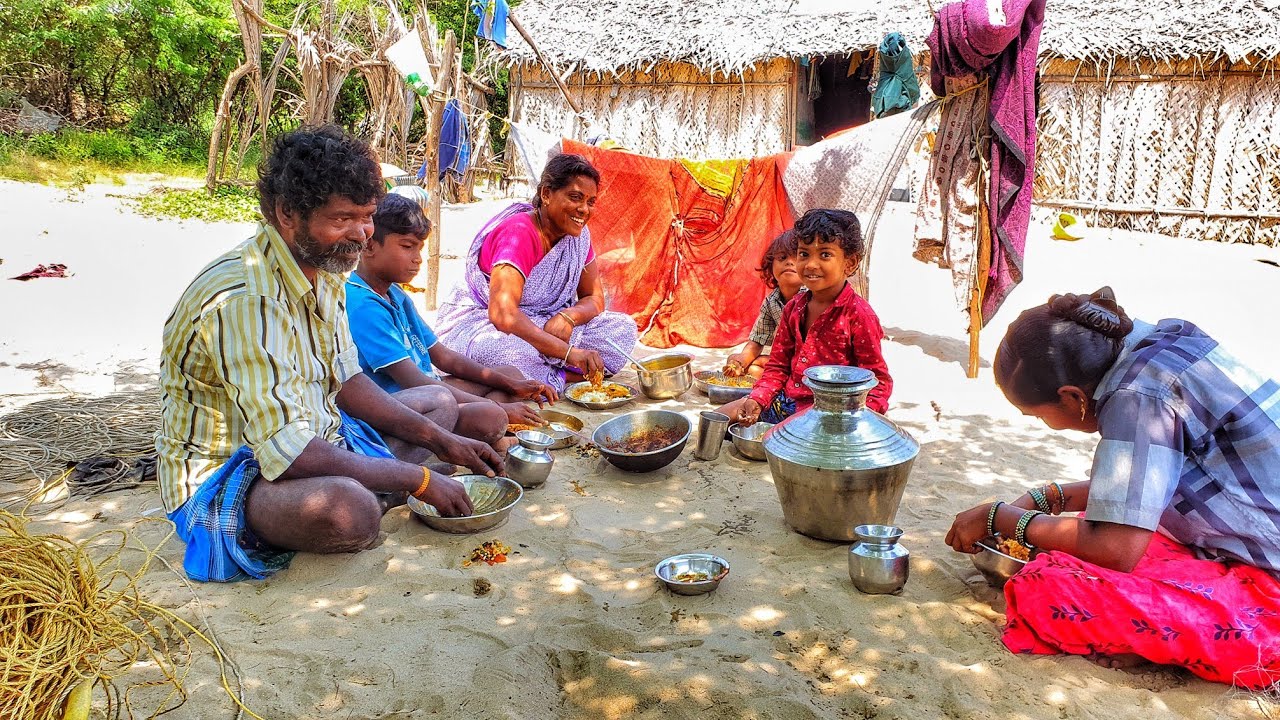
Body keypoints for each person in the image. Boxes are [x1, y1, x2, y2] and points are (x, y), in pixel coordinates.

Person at [156, 126, 501, 583]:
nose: (361, 235)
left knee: (439, 405)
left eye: (367, 217)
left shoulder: (328, 269)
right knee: (350, 512)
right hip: (232, 474)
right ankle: (378, 490)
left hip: (320, 439)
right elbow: (291, 451)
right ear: (287, 213)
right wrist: (417, 479)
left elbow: (348, 382)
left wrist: (444, 442)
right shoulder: (245, 299)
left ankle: (384, 481)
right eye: (343, 219)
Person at [945, 288, 1280, 688]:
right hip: (1254, 537)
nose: (1042, 423)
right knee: (1088, 527)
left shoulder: (1136, 396)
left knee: (1050, 588)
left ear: (1071, 397)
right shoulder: (1161, 345)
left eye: (1036, 417)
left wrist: (999, 516)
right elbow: (1155, 479)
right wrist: (1048, 497)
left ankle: (1157, 640)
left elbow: (1115, 550)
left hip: (1268, 586)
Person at [347, 193, 557, 437]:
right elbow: (413, 381)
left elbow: (444, 357)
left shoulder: (395, 294)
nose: (417, 258)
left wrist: (507, 384)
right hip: (404, 406)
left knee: (510, 375)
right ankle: (488, 430)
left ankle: (495, 425)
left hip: (433, 390)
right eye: (407, 246)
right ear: (370, 245)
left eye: (419, 248)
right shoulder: (362, 305)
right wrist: (497, 406)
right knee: (492, 416)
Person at [434, 153, 639, 392]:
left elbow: (594, 299)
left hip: (547, 322)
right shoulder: (519, 232)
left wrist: (568, 317)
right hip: (486, 323)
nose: (584, 210)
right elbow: (503, 315)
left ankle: (545, 375)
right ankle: (556, 375)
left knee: (622, 330)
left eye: (591, 202)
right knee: (505, 353)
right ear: (546, 195)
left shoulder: (579, 236)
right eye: (575, 198)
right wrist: (570, 353)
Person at [721, 209, 892, 425]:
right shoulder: (793, 308)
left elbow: (877, 380)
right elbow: (778, 366)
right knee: (722, 416)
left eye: (825, 254)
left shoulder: (859, 315)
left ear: (850, 263)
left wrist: (862, 421)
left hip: (832, 417)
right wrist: (758, 399)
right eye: (804, 253)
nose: (811, 264)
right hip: (788, 402)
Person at [722, 230, 803, 380]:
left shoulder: (813, 297)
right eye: (782, 257)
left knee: (759, 367)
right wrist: (739, 363)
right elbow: (756, 342)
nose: (789, 262)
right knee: (748, 366)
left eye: (798, 258)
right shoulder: (771, 302)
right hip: (787, 362)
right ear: (771, 267)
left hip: (814, 362)